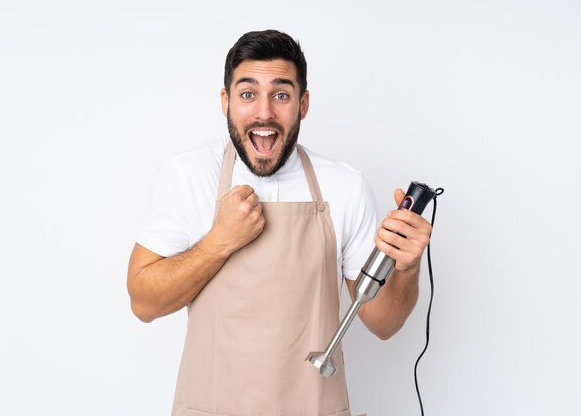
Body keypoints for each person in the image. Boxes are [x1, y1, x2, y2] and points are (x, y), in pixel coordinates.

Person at [127, 30, 432, 416]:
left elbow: (383, 323)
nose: (264, 112)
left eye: (282, 95)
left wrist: (406, 268)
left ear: (303, 104)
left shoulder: (344, 185)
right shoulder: (188, 176)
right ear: (226, 102)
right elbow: (143, 302)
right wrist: (219, 241)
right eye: (248, 94)